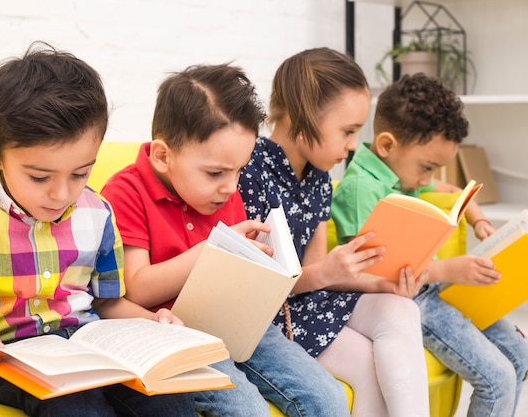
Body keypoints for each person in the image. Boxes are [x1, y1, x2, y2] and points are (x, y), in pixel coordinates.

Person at [0, 42, 197, 417]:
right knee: (77, 408)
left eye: (80, 173)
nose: (62, 194)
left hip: (87, 348)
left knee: (170, 399)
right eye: (40, 177)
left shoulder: (98, 212)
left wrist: (153, 322)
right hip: (1, 358)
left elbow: (107, 301)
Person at [101, 63, 350, 417]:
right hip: (172, 334)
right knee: (246, 409)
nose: (231, 187)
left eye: (239, 170)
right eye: (216, 172)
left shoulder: (222, 193)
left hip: (236, 325)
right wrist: (210, 251)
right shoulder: (126, 191)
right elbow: (136, 289)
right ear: (162, 155)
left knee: (327, 397)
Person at [237, 47, 430, 417]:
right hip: (274, 316)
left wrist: (383, 283)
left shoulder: (320, 177)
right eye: (348, 131)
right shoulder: (248, 170)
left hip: (309, 301)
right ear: (302, 114)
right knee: (367, 367)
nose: (354, 145)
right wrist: (326, 272)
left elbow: (319, 271)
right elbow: (254, 287)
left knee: (400, 307)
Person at [331, 72, 528, 417]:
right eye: (426, 168)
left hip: (433, 289)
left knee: (520, 354)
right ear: (387, 145)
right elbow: (378, 268)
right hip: (405, 299)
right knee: (497, 380)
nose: (428, 180)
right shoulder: (362, 188)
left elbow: (453, 191)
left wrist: (478, 218)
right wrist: (452, 269)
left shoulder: (399, 173)